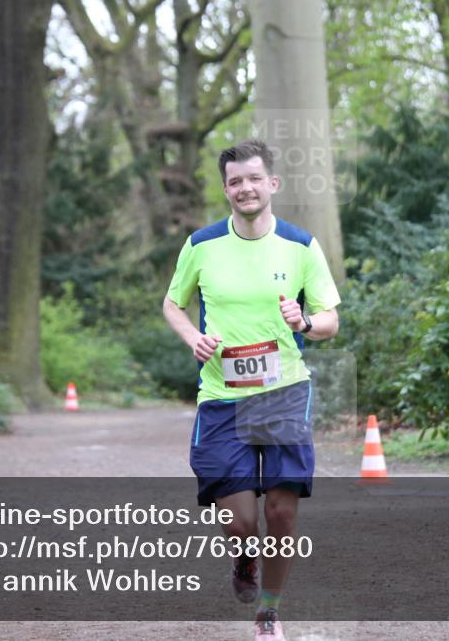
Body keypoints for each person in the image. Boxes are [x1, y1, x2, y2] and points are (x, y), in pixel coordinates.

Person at [162, 139, 340, 640]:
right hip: (223, 396)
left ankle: (269, 613)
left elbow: (330, 320)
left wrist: (304, 322)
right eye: (236, 181)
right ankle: (244, 558)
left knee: (281, 511)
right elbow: (173, 304)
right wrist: (193, 338)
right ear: (226, 190)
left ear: (272, 183)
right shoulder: (201, 246)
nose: (246, 188)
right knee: (240, 521)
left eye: (254, 178)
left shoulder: (301, 246)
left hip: (284, 391)